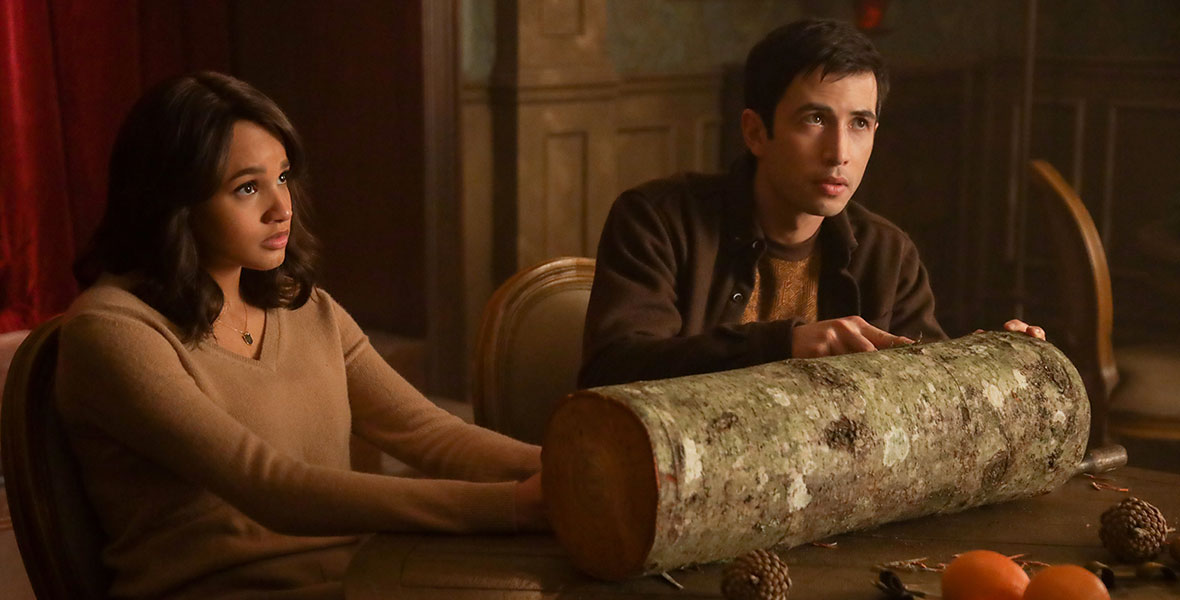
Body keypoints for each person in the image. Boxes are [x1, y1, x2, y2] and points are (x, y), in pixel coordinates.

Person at [56, 71, 545, 600]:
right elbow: (270, 486)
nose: (281, 208)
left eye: (283, 177)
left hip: (358, 578)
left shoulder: (301, 304)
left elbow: (428, 432)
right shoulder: (111, 331)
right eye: (247, 187)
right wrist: (515, 508)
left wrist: (569, 469)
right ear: (174, 203)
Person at [579, 18, 1043, 389]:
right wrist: (784, 345)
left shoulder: (887, 253)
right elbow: (612, 371)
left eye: (859, 123)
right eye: (815, 119)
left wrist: (985, 361)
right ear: (756, 132)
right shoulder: (657, 221)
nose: (839, 151)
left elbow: (921, 386)